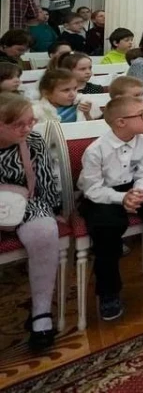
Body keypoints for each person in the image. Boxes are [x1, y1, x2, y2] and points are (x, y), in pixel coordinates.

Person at [77, 94, 143, 319]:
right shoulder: (96, 150)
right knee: (106, 226)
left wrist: (140, 193)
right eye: (141, 115)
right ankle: (109, 290)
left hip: (134, 189)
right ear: (120, 122)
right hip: (103, 194)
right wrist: (120, 199)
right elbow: (92, 189)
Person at [0, 93, 62, 352]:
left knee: (45, 230)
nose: (27, 128)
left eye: (30, 122)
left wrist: (53, 209)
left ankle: (41, 312)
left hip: (26, 200)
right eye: (18, 124)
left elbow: (46, 180)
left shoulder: (33, 140)